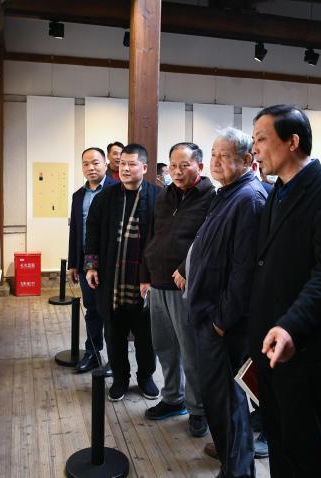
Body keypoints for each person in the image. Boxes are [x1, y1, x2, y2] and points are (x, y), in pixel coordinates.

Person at [248, 104, 321, 477]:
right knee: (278, 439)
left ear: (292, 141)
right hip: (269, 341)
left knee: (305, 448)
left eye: (261, 139)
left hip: (302, 344)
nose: (255, 149)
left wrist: (292, 325)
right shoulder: (277, 189)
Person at [187, 128, 267, 478]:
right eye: (213, 154)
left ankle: (237, 471)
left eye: (224, 155)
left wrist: (220, 322)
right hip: (210, 317)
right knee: (219, 403)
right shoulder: (228, 194)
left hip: (224, 325)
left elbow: (244, 272)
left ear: (247, 160)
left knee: (229, 406)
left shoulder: (249, 199)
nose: (215, 161)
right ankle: (231, 462)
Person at [140, 143, 215, 437]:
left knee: (190, 353)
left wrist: (185, 268)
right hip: (157, 283)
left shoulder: (211, 197)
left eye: (184, 165)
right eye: (173, 166)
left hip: (185, 287)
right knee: (164, 347)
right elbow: (152, 236)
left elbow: (206, 241)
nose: (178, 171)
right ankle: (173, 398)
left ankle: (198, 409)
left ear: (200, 166)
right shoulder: (164, 195)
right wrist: (145, 276)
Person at [84, 143, 162, 401]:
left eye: (132, 164)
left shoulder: (158, 197)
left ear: (145, 168)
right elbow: (92, 232)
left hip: (145, 280)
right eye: (122, 164)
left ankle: (146, 377)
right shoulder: (105, 197)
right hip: (112, 280)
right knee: (114, 333)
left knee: (146, 335)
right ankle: (120, 379)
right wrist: (91, 265)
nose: (125, 169)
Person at [67, 148, 119, 373]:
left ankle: (115, 358)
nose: (91, 167)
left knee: (111, 312)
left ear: (106, 164)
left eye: (95, 162)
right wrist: (73, 263)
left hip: (111, 264)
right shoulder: (78, 195)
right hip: (86, 264)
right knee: (91, 309)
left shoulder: (117, 190)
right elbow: (75, 231)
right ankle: (93, 353)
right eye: (86, 164)